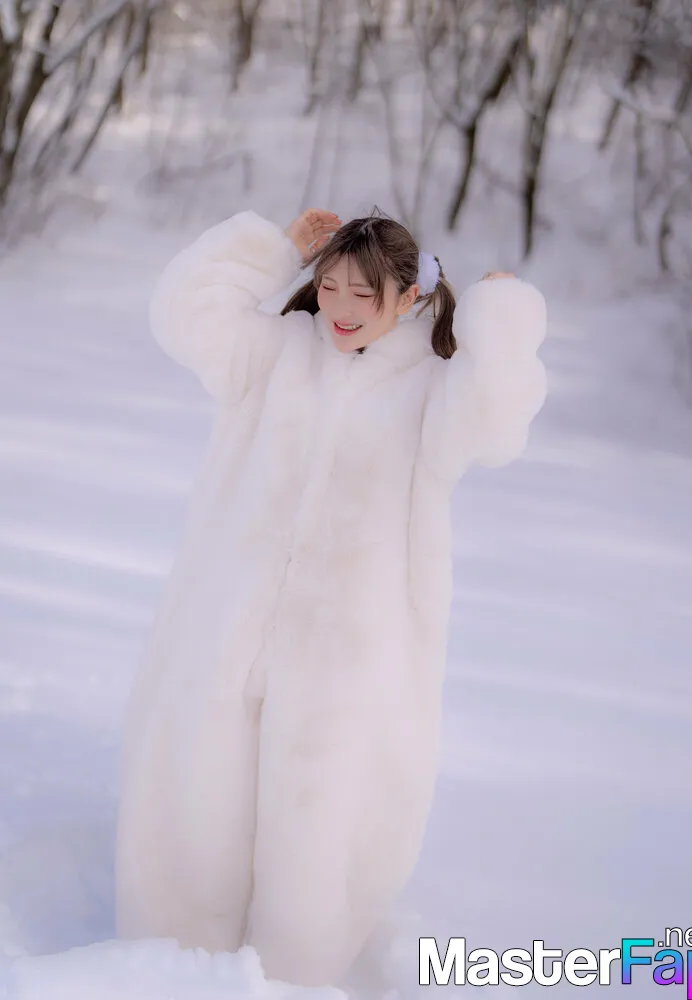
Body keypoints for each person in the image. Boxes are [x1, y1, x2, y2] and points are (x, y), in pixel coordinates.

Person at [114, 207, 548, 987]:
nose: (342, 308)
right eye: (331, 286)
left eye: (365, 294)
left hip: (348, 648)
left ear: (409, 297)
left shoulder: (433, 389)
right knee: (197, 790)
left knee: (318, 819)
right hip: (228, 621)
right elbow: (183, 312)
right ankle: (170, 963)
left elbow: (497, 425)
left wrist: (500, 319)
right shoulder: (275, 352)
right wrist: (274, 248)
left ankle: (295, 977)